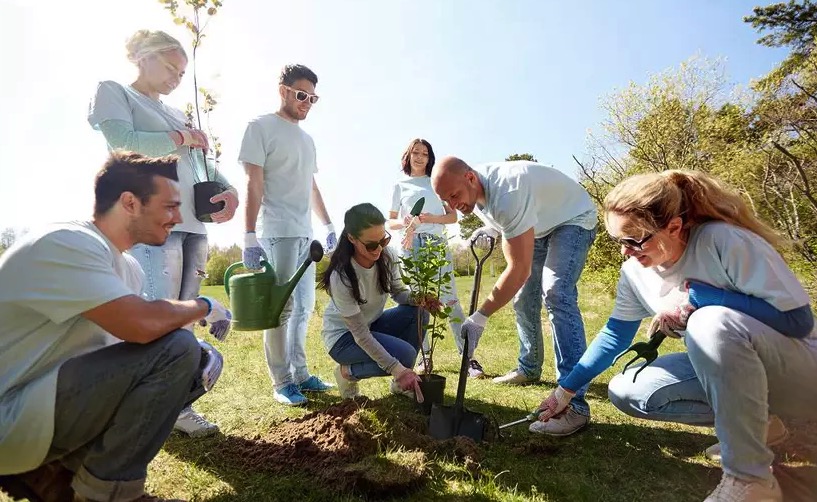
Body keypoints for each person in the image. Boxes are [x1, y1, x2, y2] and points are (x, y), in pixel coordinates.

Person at [532, 170, 817, 501]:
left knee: (709, 323)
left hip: (802, 373)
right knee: (628, 390)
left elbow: (798, 321)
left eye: (634, 239)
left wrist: (701, 300)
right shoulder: (636, 272)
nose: (625, 252)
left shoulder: (723, 240)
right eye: (618, 241)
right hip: (747, 374)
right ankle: (762, 426)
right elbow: (615, 335)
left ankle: (750, 479)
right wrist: (564, 392)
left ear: (674, 228)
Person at [0, 151, 231, 502]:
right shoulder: (70, 242)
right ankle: (107, 495)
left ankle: (55, 475)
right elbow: (140, 323)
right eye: (169, 206)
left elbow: (131, 340)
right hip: (9, 414)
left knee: (185, 357)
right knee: (177, 351)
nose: (178, 217)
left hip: (39, 405)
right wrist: (203, 306)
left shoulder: (126, 266)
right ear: (130, 202)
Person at [87, 29, 238, 437]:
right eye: (171, 66)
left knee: (183, 318)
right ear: (142, 57)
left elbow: (201, 163)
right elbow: (122, 143)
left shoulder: (177, 113)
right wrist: (182, 137)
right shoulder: (115, 91)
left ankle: (175, 406)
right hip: (153, 223)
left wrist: (229, 188)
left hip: (193, 224)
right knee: (156, 313)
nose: (176, 76)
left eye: (182, 70)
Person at [431, 156, 598, 435]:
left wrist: (479, 317)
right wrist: (491, 227)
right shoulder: (477, 188)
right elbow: (500, 216)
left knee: (556, 292)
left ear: (470, 178)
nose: (453, 206)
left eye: (454, 196)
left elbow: (518, 270)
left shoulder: (507, 193)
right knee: (523, 299)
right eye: (446, 201)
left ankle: (575, 405)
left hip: (573, 218)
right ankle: (529, 367)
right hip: (542, 223)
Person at [239, 64, 336, 406]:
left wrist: (327, 225)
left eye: (313, 98)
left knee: (305, 307)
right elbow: (254, 182)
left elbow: (311, 186)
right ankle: (282, 382)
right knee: (281, 308)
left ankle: (301, 373)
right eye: (301, 95)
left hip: (304, 234)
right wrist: (249, 235)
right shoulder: (260, 127)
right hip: (276, 231)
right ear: (283, 90)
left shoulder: (307, 140)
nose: (306, 102)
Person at [320, 203, 428, 401]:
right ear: (352, 238)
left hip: (371, 324)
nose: (379, 248)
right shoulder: (342, 276)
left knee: (420, 312)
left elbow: (399, 294)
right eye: (371, 244)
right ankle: (347, 372)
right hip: (343, 339)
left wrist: (420, 298)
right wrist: (396, 367)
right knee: (405, 356)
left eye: (383, 240)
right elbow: (360, 335)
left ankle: (399, 384)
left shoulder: (387, 256)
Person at [387, 138, 475, 376]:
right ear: (408, 156)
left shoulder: (436, 183)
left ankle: (467, 358)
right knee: (419, 303)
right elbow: (391, 221)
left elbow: (453, 217)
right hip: (410, 245)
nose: (419, 157)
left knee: (449, 300)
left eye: (424, 153)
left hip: (436, 244)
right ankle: (424, 357)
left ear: (429, 158)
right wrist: (404, 222)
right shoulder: (400, 185)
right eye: (415, 152)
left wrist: (429, 219)